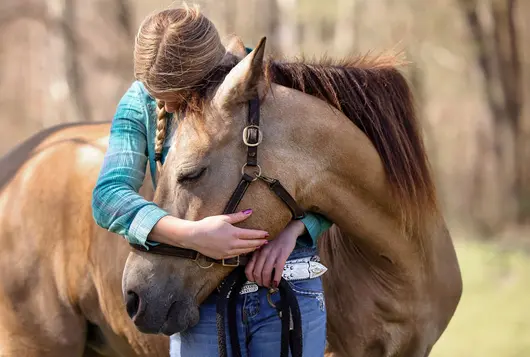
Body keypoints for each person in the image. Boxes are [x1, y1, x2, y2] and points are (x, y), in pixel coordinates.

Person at [91, 4, 331, 356]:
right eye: (155, 93)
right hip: (197, 293)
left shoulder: (269, 85)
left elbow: (333, 180)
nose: (165, 106)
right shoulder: (141, 100)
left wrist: (298, 230)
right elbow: (108, 196)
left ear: (204, 78)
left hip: (281, 287)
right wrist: (192, 234)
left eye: (172, 94)